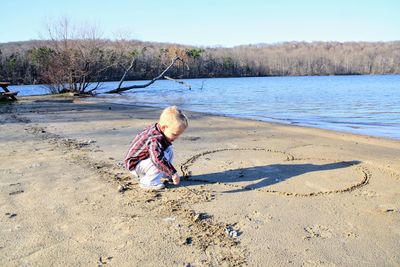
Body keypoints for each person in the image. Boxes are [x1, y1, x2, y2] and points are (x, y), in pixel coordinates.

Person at [124, 106, 188, 190]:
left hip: (144, 160)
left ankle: (164, 173)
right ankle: (148, 182)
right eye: (175, 134)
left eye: (179, 135)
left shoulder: (158, 129)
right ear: (164, 127)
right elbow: (156, 159)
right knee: (158, 158)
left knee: (168, 150)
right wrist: (173, 172)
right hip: (135, 164)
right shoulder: (155, 139)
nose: (177, 137)